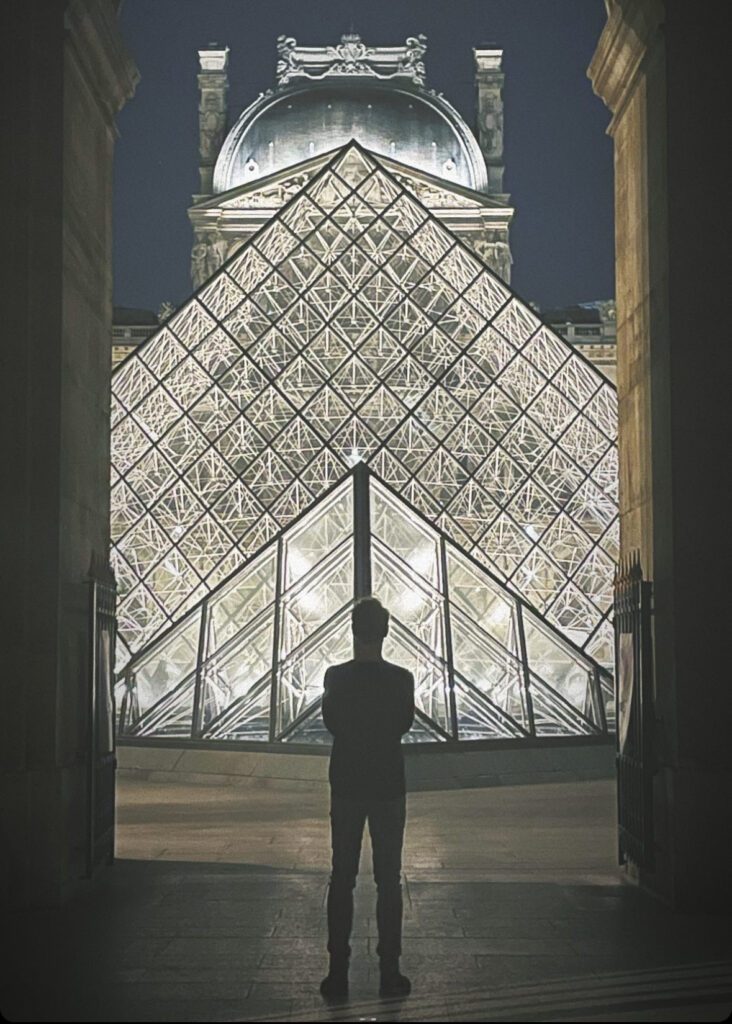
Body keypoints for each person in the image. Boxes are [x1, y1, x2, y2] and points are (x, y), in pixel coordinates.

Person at [320, 596, 415, 1001]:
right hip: (388, 786)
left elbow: (331, 723)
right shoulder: (401, 679)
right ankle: (389, 968)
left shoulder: (335, 677)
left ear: (353, 630)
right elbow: (404, 724)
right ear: (386, 631)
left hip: (347, 785)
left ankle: (337, 969)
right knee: (388, 881)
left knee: (341, 878)